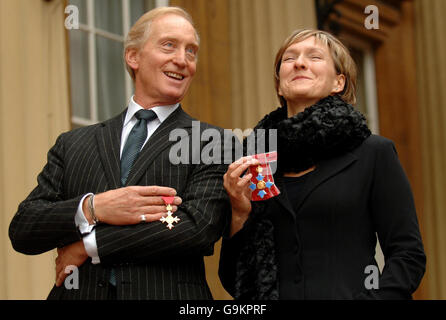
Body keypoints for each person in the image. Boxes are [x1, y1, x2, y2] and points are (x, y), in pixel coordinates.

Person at [9, 7, 230, 300]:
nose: (182, 59)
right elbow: (24, 228)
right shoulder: (73, 143)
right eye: (169, 45)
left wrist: (88, 246)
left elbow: (196, 228)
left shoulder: (212, 141)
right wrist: (93, 208)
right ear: (133, 57)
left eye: (191, 51)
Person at [218, 29, 426, 300]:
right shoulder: (256, 161)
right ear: (280, 85)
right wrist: (238, 214)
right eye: (289, 58)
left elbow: (408, 254)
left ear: (338, 83)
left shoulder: (373, 153)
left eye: (314, 57)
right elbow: (234, 279)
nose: (299, 63)